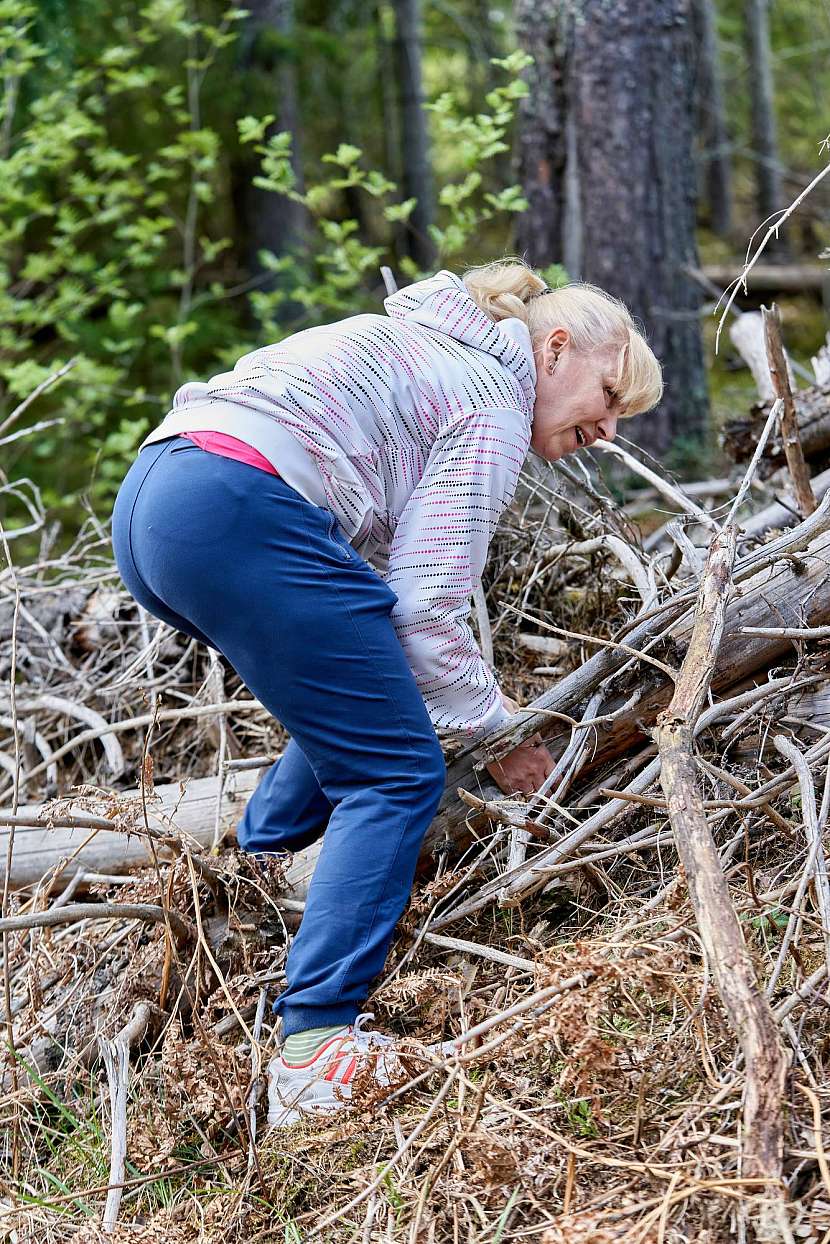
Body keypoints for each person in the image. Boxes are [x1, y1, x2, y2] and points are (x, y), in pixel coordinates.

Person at [110, 258, 663, 1126]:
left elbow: (381, 631)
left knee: (358, 701)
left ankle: (245, 903)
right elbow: (431, 599)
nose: (610, 431)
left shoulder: (428, 346)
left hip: (158, 496)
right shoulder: (491, 397)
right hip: (233, 503)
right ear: (553, 349)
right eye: (608, 396)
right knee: (398, 772)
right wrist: (493, 732)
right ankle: (315, 1049)